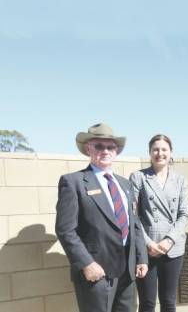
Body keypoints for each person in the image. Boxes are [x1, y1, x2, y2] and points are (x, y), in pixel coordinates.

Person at [55, 123, 148, 312]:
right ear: (89, 148)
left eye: (110, 147)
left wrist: (141, 257)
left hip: (127, 272)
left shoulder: (125, 184)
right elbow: (65, 230)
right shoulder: (73, 182)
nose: (105, 151)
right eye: (99, 146)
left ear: (116, 151)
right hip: (96, 273)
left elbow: (134, 224)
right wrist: (86, 263)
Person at [130, 134, 188, 312]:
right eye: (155, 149)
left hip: (173, 248)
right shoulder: (138, 177)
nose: (159, 153)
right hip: (147, 248)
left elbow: (184, 214)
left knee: (169, 301)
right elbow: (133, 216)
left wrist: (169, 240)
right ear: (149, 152)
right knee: (147, 302)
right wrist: (148, 243)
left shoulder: (180, 180)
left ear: (170, 153)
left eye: (164, 149)